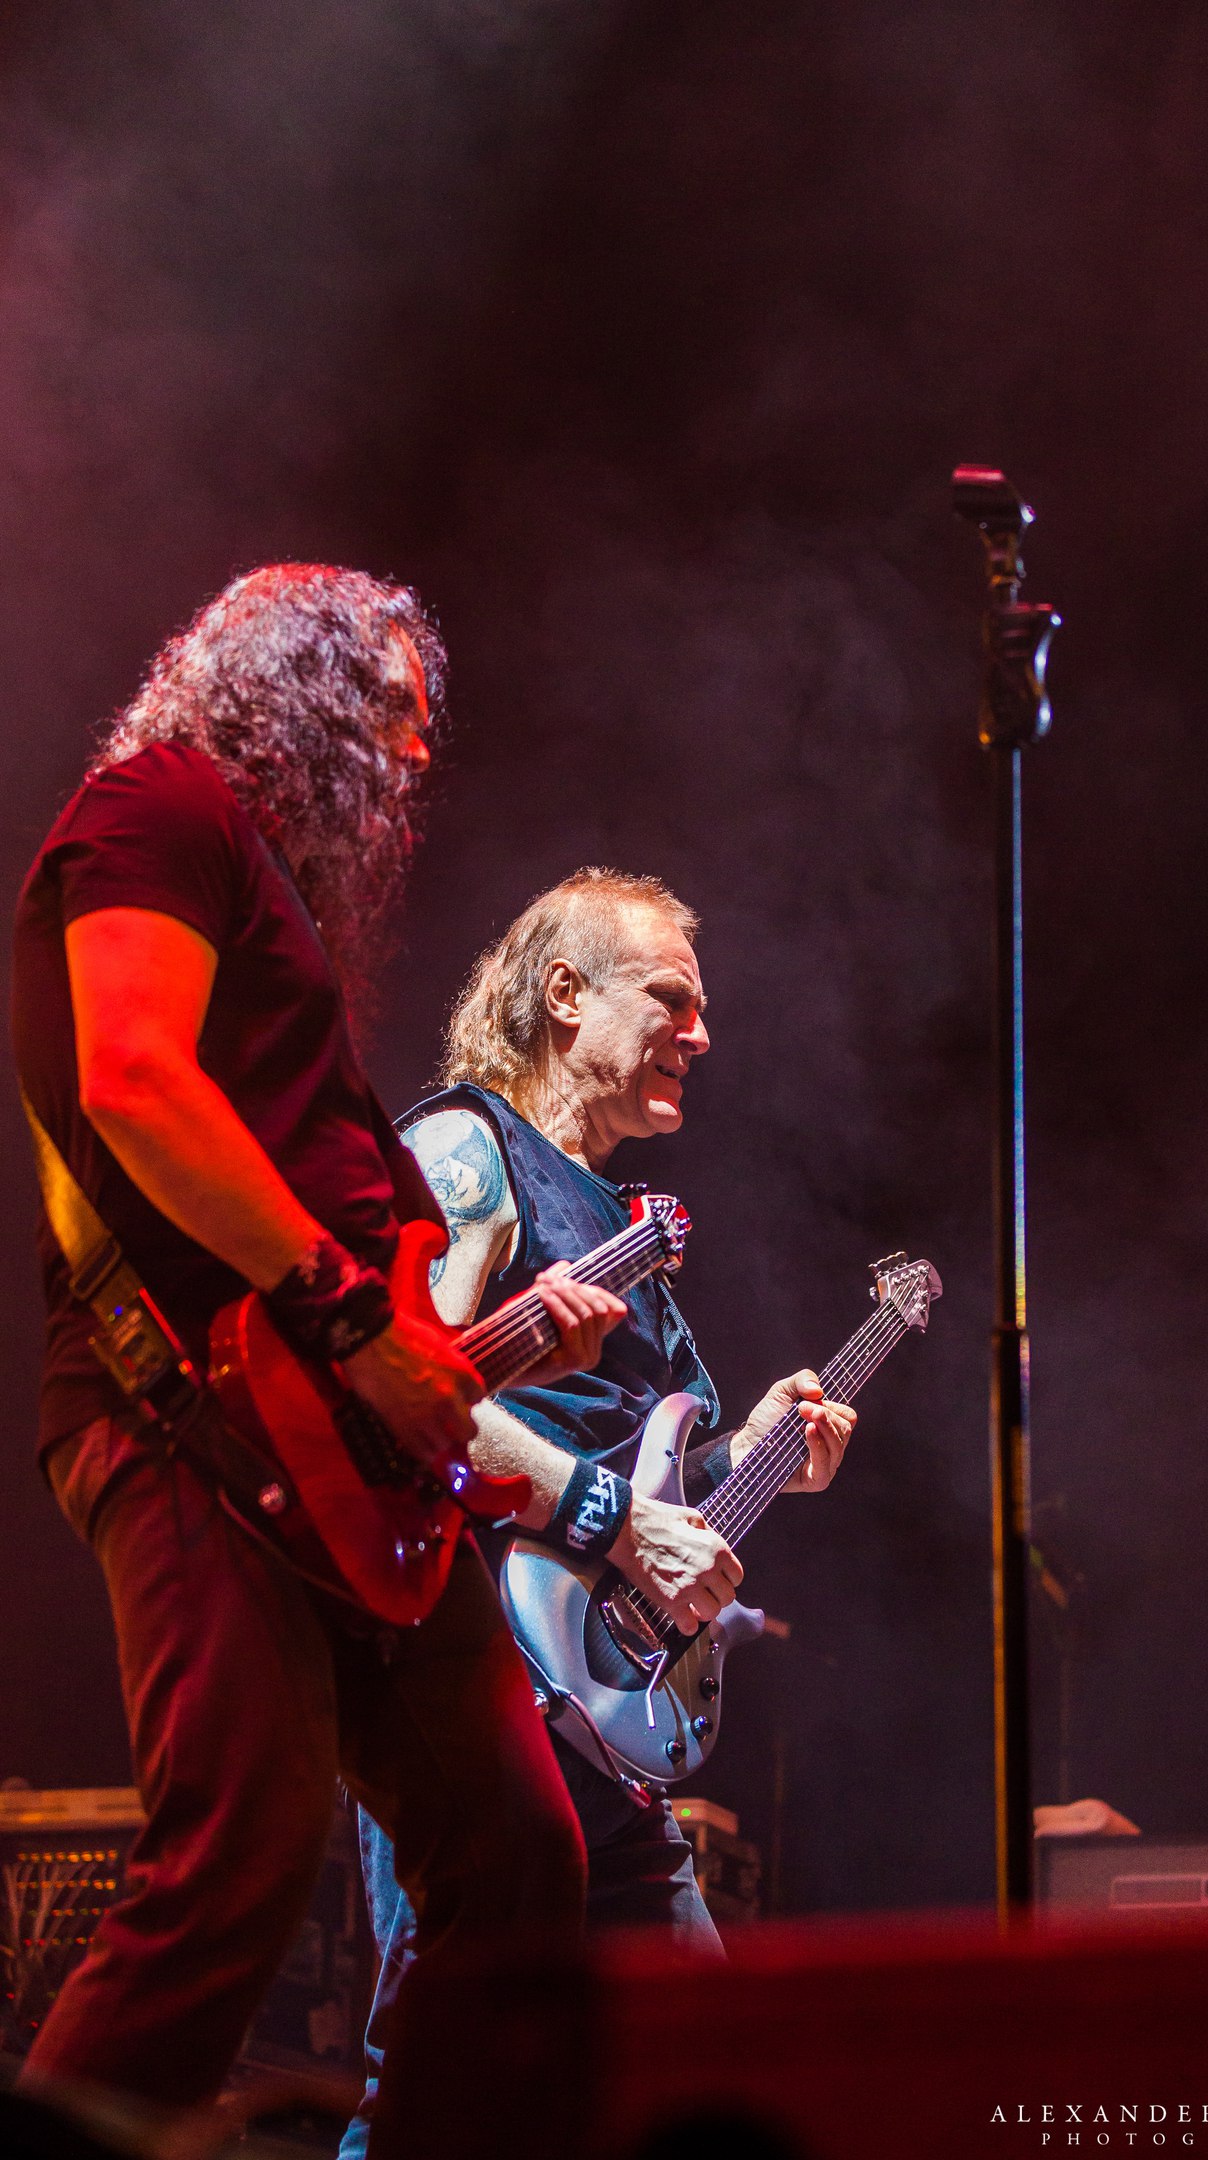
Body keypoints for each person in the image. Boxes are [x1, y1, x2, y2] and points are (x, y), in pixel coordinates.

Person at [10, 566, 627, 2157]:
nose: (415, 761)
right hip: (187, 1402)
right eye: (395, 717)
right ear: (301, 694)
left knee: (518, 1850)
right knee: (238, 1857)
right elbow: (135, 1084)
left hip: (346, 1451)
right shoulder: (155, 807)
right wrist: (353, 1321)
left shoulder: (255, 882)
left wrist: (432, 1358)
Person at [341, 867, 857, 2158]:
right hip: (469, 1675)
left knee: (702, 2071)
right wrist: (619, 1518)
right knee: (446, 2080)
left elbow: (648, 1476)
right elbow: (407, 1389)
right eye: (672, 999)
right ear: (565, 996)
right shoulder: (469, 1149)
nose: (702, 1034)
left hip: (599, 1716)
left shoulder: (627, 1228)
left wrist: (754, 1454)